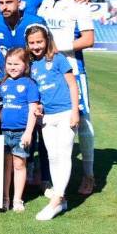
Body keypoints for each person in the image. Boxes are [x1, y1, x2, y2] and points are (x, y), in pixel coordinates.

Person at [38, 0, 96, 195]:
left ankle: (89, 176)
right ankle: (50, 176)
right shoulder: (45, 4)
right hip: (48, 72)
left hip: (72, 69)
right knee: (48, 121)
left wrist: (57, 47)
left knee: (83, 122)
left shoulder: (78, 4)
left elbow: (88, 39)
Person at [26, 25, 80, 220]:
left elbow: (73, 85)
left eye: (39, 42)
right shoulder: (32, 65)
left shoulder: (58, 59)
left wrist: (75, 111)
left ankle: (57, 198)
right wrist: (39, 107)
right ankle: (62, 199)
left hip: (66, 113)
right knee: (53, 157)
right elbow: (37, 93)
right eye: (32, 43)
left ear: (47, 40)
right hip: (47, 117)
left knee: (64, 154)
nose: (36, 46)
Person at [0, 47, 40, 212]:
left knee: (19, 165)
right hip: (4, 132)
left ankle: (17, 199)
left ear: (26, 65)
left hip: (21, 133)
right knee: (6, 166)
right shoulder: (3, 84)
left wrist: (29, 132)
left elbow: (32, 111)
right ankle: (5, 197)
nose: (12, 67)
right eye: (9, 63)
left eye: (17, 64)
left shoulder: (30, 84)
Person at [0, 0, 46, 79]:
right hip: (5, 79)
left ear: (19, 2)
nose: (4, 7)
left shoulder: (35, 22)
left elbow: (49, 50)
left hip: (34, 77)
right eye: (1, 3)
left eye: (9, 2)